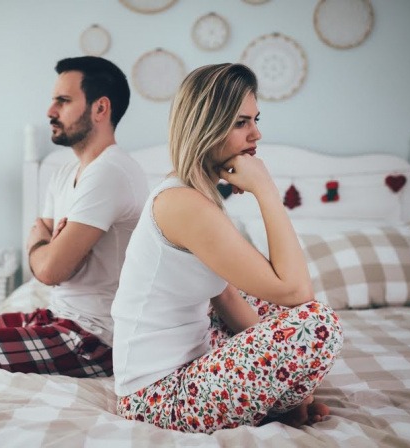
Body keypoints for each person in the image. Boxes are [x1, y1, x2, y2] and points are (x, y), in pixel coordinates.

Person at [0, 56, 148, 423]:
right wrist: (46, 247)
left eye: (63, 101)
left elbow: (49, 269)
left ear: (100, 108)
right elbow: (46, 260)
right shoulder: (65, 172)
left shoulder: (110, 173)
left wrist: (42, 246)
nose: (50, 110)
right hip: (56, 319)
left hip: (92, 341)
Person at [111, 63, 344, 434]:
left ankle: (284, 406)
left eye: (255, 119)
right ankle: (281, 407)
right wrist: (266, 190)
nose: (257, 133)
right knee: (317, 325)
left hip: (188, 367)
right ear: (207, 126)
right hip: (156, 399)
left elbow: (229, 299)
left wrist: (292, 384)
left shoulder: (194, 196)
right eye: (241, 123)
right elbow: (297, 291)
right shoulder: (183, 204)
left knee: (266, 307)